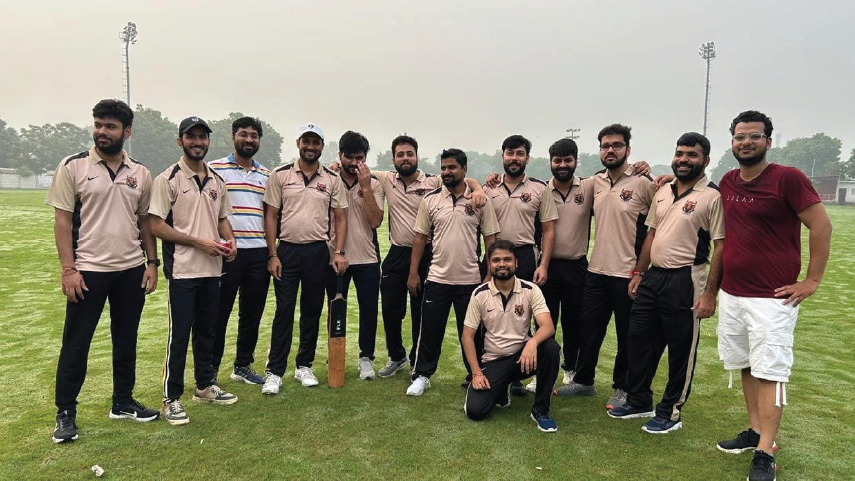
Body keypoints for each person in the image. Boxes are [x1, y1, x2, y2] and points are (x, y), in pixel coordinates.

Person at [714, 111, 831, 481]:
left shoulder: (788, 178)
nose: (745, 142)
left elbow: (821, 226)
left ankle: (767, 450)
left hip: (772, 297)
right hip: (733, 294)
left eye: (754, 136)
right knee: (747, 364)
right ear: (732, 141)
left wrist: (811, 280)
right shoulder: (729, 180)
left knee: (771, 373)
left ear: (768, 140)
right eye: (739, 137)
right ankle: (754, 432)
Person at [47, 99, 160, 443]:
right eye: (98, 124)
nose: (101, 132)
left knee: (126, 340)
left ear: (126, 132)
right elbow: (62, 221)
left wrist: (152, 263)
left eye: (110, 126)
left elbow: (144, 223)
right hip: (89, 271)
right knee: (76, 344)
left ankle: (123, 402)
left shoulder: (140, 173)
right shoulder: (74, 166)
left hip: (130, 270)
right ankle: (65, 413)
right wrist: (69, 270)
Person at [607, 132, 724, 435]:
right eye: (680, 153)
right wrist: (638, 272)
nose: (684, 160)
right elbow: (651, 235)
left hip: (686, 278)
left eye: (692, 155)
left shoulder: (712, 196)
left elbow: (721, 247)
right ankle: (638, 399)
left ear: (705, 161)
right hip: (653, 276)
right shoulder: (662, 190)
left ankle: (670, 411)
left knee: (680, 348)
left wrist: (710, 294)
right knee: (639, 340)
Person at [348, 135, 485, 379]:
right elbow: (361, 170)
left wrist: (478, 188)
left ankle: (416, 361)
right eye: (400, 154)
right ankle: (397, 356)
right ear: (393, 159)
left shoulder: (432, 180)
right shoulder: (387, 178)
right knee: (390, 309)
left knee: (420, 312)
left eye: (409, 153)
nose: (405, 158)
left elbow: (467, 179)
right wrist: (337, 166)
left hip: (427, 254)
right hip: (398, 252)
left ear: (416, 156)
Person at [557, 124, 656, 411]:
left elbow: (662, 212)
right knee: (588, 329)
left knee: (628, 335)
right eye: (605, 145)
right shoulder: (594, 183)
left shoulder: (642, 182)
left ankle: (623, 387)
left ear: (628, 149)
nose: (610, 150)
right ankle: (584, 381)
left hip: (627, 274)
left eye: (616, 145)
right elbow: (563, 183)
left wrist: (640, 270)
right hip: (596, 271)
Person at [149, 116, 239, 426]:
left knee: (207, 332)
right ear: (180, 141)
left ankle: (204, 386)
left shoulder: (216, 180)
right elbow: (156, 225)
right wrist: (199, 242)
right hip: (184, 271)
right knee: (180, 336)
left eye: (202, 137)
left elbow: (223, 217)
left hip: (212, 270)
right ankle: (171, 398)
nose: (197, 142)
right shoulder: (168, 179)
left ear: (208, 141)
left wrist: (232, 241)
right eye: (191, 137)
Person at [262, 123, 348, 394]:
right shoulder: (281, 174)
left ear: (322, 146)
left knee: (311, 310)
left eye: (316, 142)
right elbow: (271, 215)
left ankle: (304, 366)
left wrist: (338, 251)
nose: (311, 147)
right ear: (298, 142)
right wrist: (272, 253)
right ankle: (274, 371)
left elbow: (341, 217)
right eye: (306, 141)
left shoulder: (331, 179)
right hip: (286, 250)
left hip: (316, 251)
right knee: (284, 310)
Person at [406, 149, 499, 396]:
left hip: (471, 280)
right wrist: (413, 273)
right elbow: (419, 238)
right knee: (430, 331)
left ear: (464, 169)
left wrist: (489, 275)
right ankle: (422, 375)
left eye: (452, 168)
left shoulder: (480, 200)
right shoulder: (431, 200)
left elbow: (491, 239)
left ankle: (475, 375)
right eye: (444, 168)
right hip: (437, 277)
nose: (447, 172)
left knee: (473, 333)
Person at [482, 135, 558, 396]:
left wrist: (544, 264)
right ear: (502, 155)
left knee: (521, 317)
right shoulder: (489, 188)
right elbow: (485, 230)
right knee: (491, 315)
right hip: (494, 256)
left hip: (525, 256)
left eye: (520, 153)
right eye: (510, 153)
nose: (514, 158)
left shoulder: (539, 189)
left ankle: (516, 375)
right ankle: (487, 370)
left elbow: (548, 229)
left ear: (527, 157)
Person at [462, 240, 561, 433]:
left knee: (550, 349)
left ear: (516, 262)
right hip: (493, 361)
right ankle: (501, 388)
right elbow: (467, 336)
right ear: (489, 265)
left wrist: (532, 342)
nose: (502, 264)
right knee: (475, 411)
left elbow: (548, 326)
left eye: (507, 259)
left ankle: (541, 410)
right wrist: (476, 373)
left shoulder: (530, 290)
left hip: (523, 358)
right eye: (496, 260)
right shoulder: (479, 294)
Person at [208, 117, 270, 385]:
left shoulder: (267, 175)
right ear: (233, 136)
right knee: (218, 312)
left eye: (254, 135)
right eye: (244, 134)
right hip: (226, 252)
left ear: (259, 141)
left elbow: (270, 215)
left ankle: (242, 365)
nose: (249, 140)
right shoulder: (214, 169)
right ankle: (209, 370)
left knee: (252, 312)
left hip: (259, 252)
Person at [325, 131, 384, 380]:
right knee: (335, 308)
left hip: (367, 257)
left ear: (365, 157)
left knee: (368, 309)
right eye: (347, 156)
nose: (352, 162)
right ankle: (334, 354)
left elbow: (376, 220)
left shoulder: (374, 182)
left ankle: (366, 358)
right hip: (334, 257)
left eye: (358, 157)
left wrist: (366, 187)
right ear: (339, 154)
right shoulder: (327, 179)